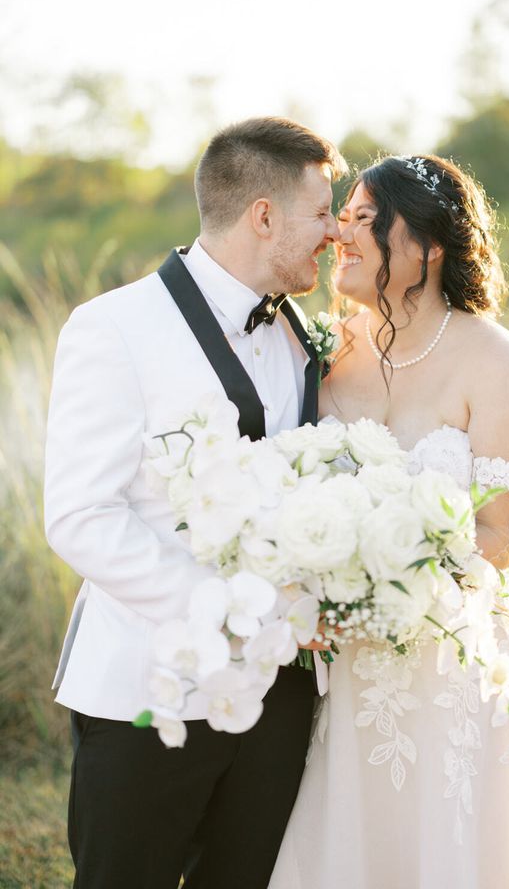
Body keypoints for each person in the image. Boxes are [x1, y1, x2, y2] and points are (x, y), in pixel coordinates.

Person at [44, 116, 346, 889]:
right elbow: (81, 515)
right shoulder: (112, 327)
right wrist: (233, 607)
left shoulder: (299, 335)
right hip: (151, 690)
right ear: (264, 215)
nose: (336, 230)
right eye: (322, 211)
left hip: (278, 702)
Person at [269, 154, 509, 888]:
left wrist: (391, 575)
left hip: (452, 655)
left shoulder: (495, 364)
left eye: (366, 220)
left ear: (429, 247)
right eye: (343, 217)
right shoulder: (324, 353)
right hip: (343, 658)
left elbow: (505, 537)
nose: (343, 234)